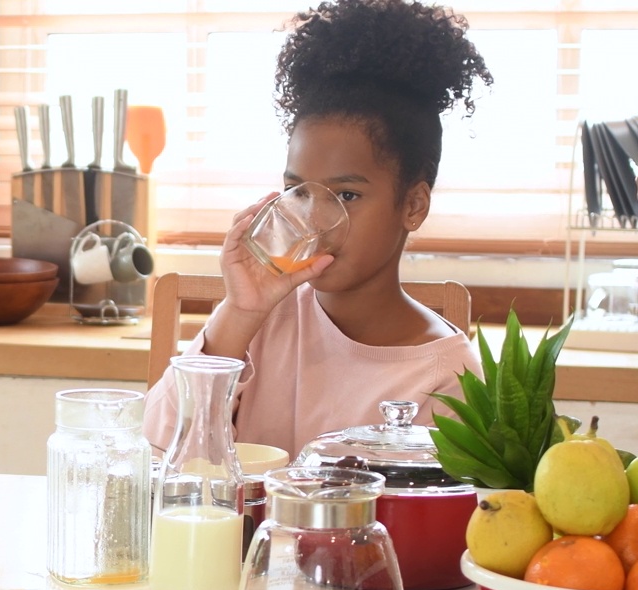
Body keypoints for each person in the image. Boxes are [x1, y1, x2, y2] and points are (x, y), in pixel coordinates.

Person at [144, 0, 492, 458]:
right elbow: (154, 448)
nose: (315, 220)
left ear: (413, 205)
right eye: (300, 192)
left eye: (347, 195)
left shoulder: (446, 374)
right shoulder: (263, 319)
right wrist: (240, 312)